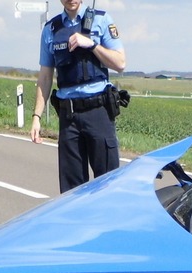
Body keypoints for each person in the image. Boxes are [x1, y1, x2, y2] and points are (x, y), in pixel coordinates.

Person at [30, 0, 126, 193]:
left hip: (98, 112)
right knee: (71, 190)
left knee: (108, 183)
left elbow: (120, 63)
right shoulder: (51, 29)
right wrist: (36, 117)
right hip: (69, 117)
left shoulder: (101, 19)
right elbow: (46, 77)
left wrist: (91, 45)